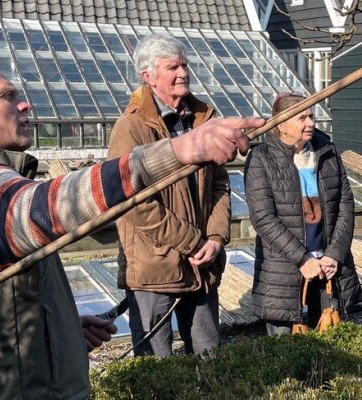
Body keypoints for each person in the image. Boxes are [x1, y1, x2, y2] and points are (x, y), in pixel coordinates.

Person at [0, 63, 259, 399]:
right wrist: (179, 150)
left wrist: (58, 330)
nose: (24, 103)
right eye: (6, 96)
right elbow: (50, 205)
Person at [107, 33, 232, 356]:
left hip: (201, 265)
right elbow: (131, 202)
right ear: (148, 76)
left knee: (209, 358)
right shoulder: (132, 127)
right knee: (156, 368)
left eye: (184, 65)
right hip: (154, 268)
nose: (182, 73)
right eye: (172, 67)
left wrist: (216, 237)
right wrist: (193, 241)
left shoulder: (204, 118)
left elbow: (219, 182)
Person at [244, 93, 362, 335]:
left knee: (331, 339)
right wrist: (302, 259)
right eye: (302, 118)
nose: (310, 123)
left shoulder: (327, 151)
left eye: (311, 116)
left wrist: (335, 255)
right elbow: (264, 218)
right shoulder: (261, 158)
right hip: (284, 268)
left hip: (328, 264)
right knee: (284, 347)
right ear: (281, 125)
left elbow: (345, 205)